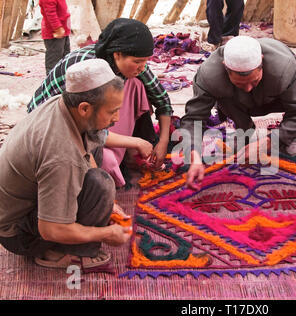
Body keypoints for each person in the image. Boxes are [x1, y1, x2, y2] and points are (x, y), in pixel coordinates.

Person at [0, 59, 131, 269]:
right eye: (112, 111)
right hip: (19, 234)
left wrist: (111, 206)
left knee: (96, 147)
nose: (116, 118)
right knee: (101, 184)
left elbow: (87, 154)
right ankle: (70, 254)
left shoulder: (64, 107)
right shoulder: (61, 155)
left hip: (22, 205)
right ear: (84, 108)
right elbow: (50, 229)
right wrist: (105, 234)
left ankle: (75, 227)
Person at [27, 18, 173, 187]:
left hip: (89, 122)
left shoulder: (132, 62)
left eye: (145, 61)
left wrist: (163, 142)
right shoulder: (87, 71)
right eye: (138, 62)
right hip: (51, 130)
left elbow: (162, 100)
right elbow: (83, 128)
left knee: (136, 84)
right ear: (117, 54)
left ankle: (124, 154)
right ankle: (116, 160)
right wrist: (135, 142)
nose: (142, 67)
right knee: (105, 168)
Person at [180, 36, 296, 190]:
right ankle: (244, 131)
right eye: (240, 83)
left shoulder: (284, 66)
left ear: (262, 61)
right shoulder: (209, 76)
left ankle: (287, 134)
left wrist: (269, 142)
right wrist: (194, 156)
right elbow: (193, 119)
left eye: (254, 81)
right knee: (221, 93)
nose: (248, 89)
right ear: (225, 67)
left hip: (277, 95)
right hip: (236, 100)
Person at [39, 0, 71, 75]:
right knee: (54, 59)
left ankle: (62, 78)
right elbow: (50, 14)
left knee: (65, 56)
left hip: (63, 31)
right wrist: (57, 28)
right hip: (54, 34)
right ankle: (51, 80)